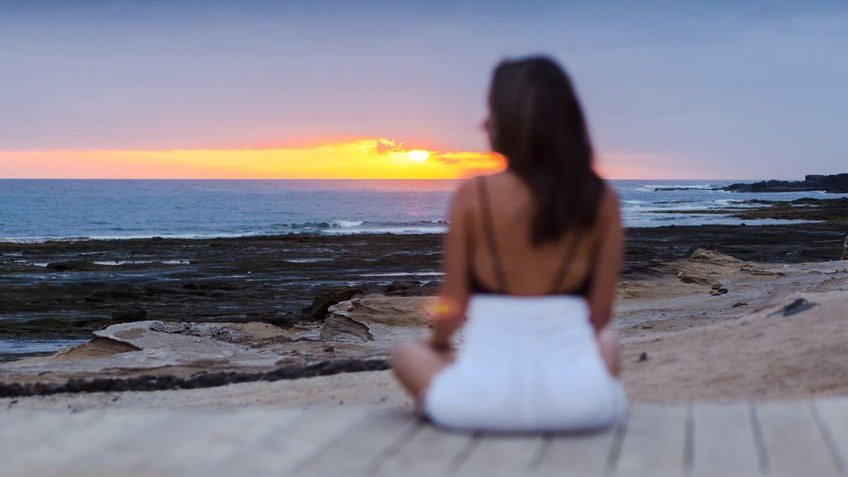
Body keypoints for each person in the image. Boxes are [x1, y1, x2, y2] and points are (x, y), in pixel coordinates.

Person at [391, 56, 627, 432]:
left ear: (516, 120)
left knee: (406, 353)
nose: (483, 123)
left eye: (493, 112)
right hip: (582, 407)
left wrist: (439, 345)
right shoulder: (600, 198)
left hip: (478, 406)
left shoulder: (475, 194)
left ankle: (436, 404)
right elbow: (599, 317)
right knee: (608, 341)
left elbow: (451, 312)